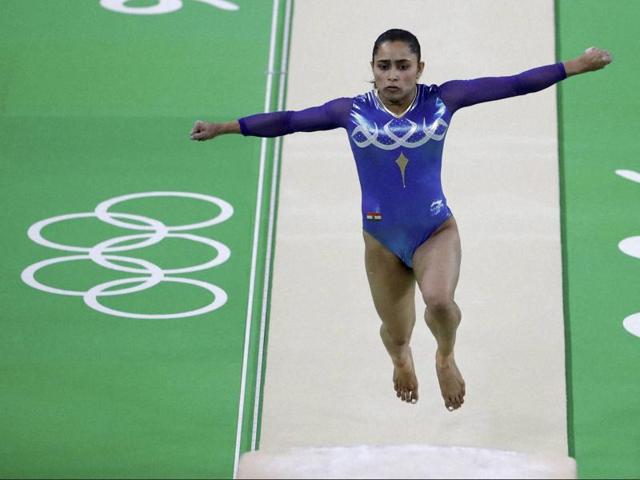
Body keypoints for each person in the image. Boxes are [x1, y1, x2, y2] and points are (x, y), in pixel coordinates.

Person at [190, 29, 612, 411]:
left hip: (434, 231)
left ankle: (445, 356)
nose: (393, 75)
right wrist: (223, 127)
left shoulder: (444, 99)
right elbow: (289, 121)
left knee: (440, 303)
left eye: (402, 66)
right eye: (383, 66)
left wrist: (574, 66)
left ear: (419, 68)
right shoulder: (350, 111)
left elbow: (513, 85)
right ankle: (401, 357)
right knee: (396, 334)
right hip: (381, 240)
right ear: (372, 70)